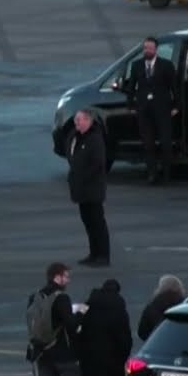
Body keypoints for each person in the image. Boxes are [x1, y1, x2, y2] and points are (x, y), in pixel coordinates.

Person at [119, 36, 178, 183]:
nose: (147, 51)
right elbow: (131, 87)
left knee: (165, 142)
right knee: (148, 143)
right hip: (144, 110)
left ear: (156, 50)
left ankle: (166, 173)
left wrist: (176, 106)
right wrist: (130, 106)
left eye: (150, 48)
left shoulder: (166, 65)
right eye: (145, 48)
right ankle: (152, 173)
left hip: (162, 110)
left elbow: (174, 87)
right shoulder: (136, 65)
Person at [67, 109, 110, 267]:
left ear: (88, 121)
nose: (76, 122)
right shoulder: (75, 136)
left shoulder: (95, 139)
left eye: (79, 120)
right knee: (87, 221)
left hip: (92, 188)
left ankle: (103, 255)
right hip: (81, 188)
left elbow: (98, 163)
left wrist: (84, 177)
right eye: (75, 119)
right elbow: (70, 153)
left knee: (97, 221)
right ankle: (94, 253)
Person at [138, 274, 186, 340]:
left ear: (160, 288)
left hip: (158, 344)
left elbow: (141, 332)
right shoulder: (184, 305)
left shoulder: (151, 306)